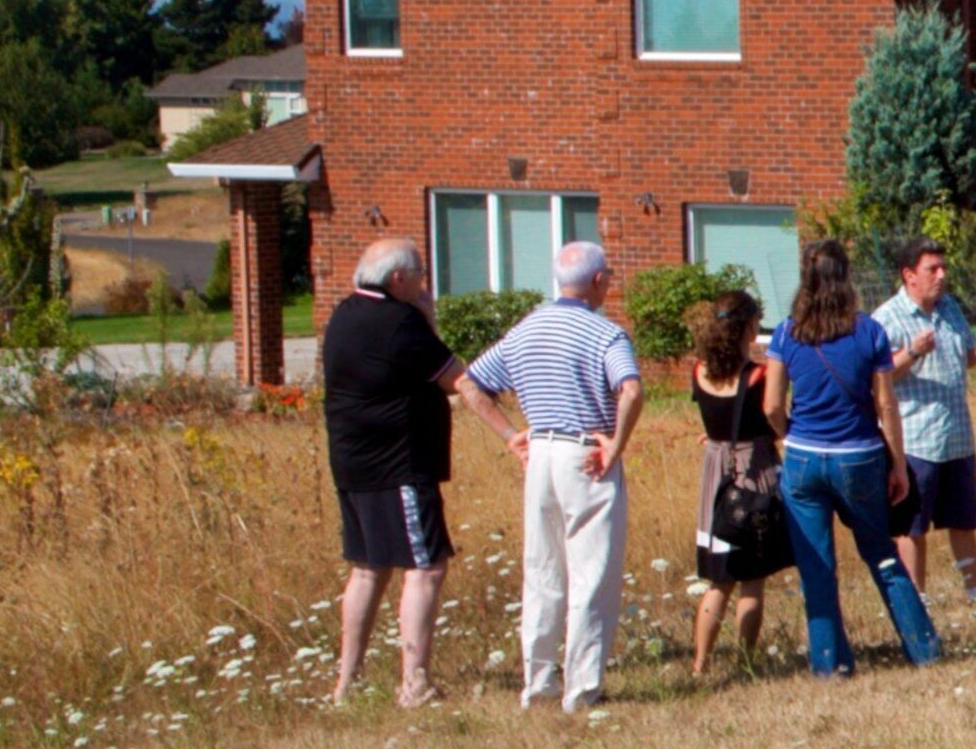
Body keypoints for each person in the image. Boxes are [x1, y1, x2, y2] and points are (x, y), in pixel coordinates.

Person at [319, 238, 503, 707]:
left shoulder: (344, 314)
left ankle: (347, 683)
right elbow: (456, 378)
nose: (425, 284)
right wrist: (510, 435)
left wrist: (424, 319)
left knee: (368, 569)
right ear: (398, 278)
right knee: (426, 567)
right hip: (398, 463)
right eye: (421, 275)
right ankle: (414, 682)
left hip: (352, 461)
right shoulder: (398, 322)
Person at [463, 240, 645, 714]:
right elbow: (630, 390)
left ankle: (538, 683)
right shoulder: (605, 334)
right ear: (598, 281)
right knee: (591, 573)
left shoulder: (526, 329)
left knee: (543, 571)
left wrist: (511, 435)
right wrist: (615, 444)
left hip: (541, 451)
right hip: (585, 453)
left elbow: (469, 383)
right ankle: (581, 689)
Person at [765, 237, 943, 676]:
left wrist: (790, 436)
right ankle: (924, 651)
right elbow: (885, 404)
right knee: (883, 556)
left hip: (803, 457)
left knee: (817, 567)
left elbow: (770, 404)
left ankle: (830, 665)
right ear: (846, 277)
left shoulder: (787, 332)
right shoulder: (869, 332)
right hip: (858, 455)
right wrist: (897, 464)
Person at [872, 237, 976, 604]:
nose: (941, 275)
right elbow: (877, 376)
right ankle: (916, 595)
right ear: (909, 275)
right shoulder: (887, 318)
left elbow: (964, 358)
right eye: (932, 269)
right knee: (912, 525)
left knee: (963, 518)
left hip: (956, 436)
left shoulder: (950, 308)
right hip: (915, 438)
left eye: (943, 268)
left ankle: (974, 587)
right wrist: (912, 351)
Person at [684, 287, 789, 675]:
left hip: (715, 474)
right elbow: (771, 419)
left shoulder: (699, 371)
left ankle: (700, 662)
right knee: (751, 579)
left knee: (719, 580)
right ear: (748, 327)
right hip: (752, 470)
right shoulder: (758, 376)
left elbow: (715, 417)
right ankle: (746, 662)